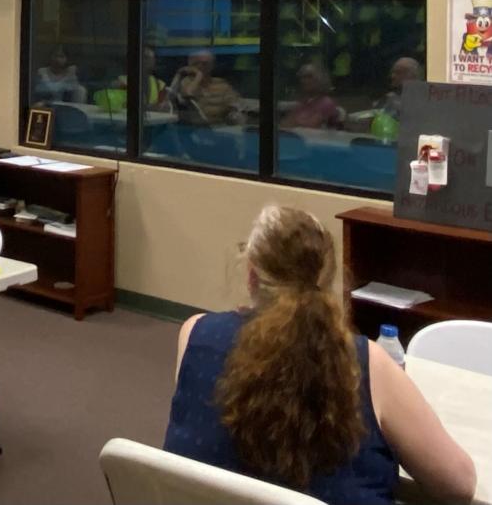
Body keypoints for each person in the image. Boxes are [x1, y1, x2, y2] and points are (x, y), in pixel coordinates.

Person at [164, 206, 476, 505]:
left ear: (251, 276)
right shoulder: (367, 364)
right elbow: (458, 484)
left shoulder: (195, 334)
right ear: (327, 281)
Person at [168, 50, 240, 125]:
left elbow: (235, 104)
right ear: (190, 65)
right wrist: (199, 75)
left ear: (212, 65)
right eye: (196, 64)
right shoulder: (185, 82)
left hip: (217, 128)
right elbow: (188, 94)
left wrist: (234, 113)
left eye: (205, 64)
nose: (200, 66)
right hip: (191, 127)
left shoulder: (221, 84)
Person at [280, 62, 342, 130]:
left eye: (309, 76)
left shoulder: (326, 103)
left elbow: (308, 127)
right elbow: (285, 124)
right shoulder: (304, 101)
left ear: (320, 79)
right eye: (302, 77)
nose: (304, 80)